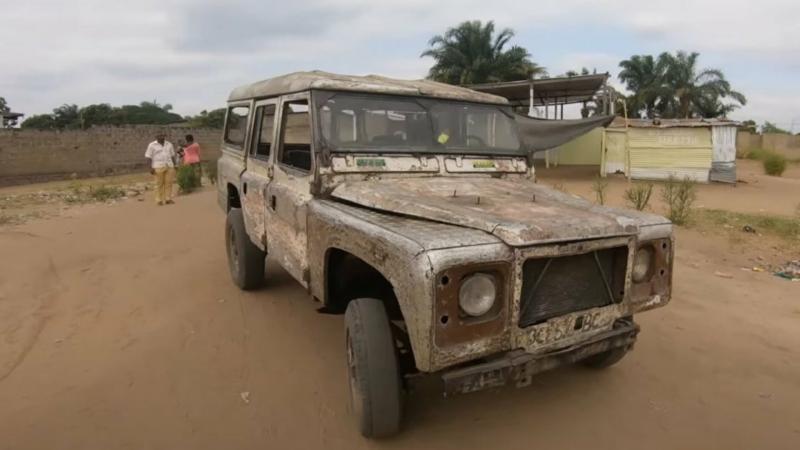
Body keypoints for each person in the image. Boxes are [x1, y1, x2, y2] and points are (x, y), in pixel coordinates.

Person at [144, 132, 177, 205]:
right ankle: (159, 200)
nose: (161, 137)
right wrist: (150, 168)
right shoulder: (152, 145)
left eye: (163, 135)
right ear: (156, 137)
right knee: (158, 184)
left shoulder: (169, 144)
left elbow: (172, 156)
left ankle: (168, 199)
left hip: (169, 166)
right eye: (159, 135)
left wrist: (175, 165)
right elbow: (148, 157)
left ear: (165, 136)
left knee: (169, 183)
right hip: (158, 166)